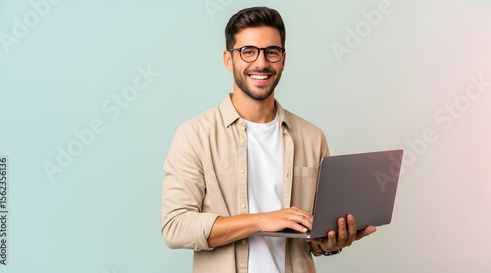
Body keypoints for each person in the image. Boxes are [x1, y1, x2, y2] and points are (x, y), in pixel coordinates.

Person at [161, 6, 376, 273]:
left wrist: (329, 243)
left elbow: (312, 240)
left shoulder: (312, 137)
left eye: (271, 52)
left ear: (283, 59)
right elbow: (175, 227)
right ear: (229, 60)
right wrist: (261, 220)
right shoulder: (194, 135)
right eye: (248, 52)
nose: (261, 63)